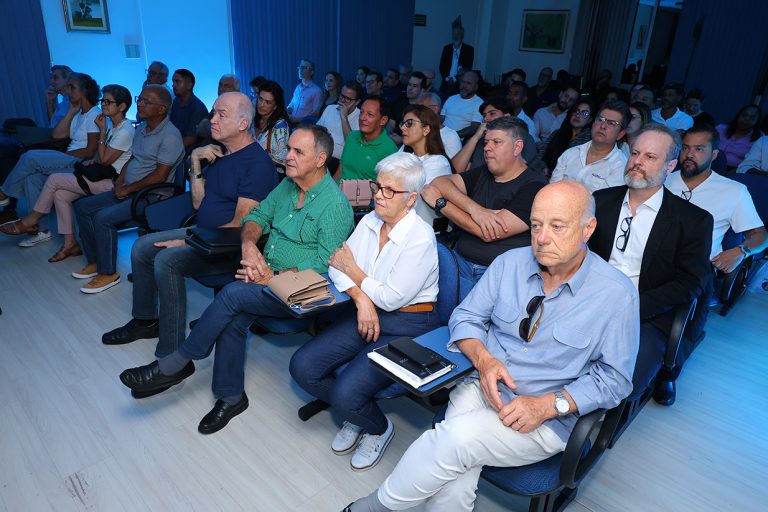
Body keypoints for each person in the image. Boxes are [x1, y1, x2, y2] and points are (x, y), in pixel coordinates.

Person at [344, 180, 639, 512]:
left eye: (557, 227)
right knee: (456, 471)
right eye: (536, 225)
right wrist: (484, 361)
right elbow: (465, 317)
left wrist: (548, 406)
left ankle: (372, 507)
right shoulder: (509, 263)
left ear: (588, 229)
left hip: (543, 416)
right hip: (479, 387)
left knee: (454, 440)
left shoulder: (616, 295)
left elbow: (615, 380)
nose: (542, 238)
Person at [118, 125, 354, 435]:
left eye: (298, 151)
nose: (288, 156)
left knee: (230, 295)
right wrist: (249, 246)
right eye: (289, 149)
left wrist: (273, 276)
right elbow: (256, 217)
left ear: (321, 159)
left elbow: (327, 263)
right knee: (233, 315)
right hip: (264, 275)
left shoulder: (335, 205)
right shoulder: (288, 185)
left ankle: (177, 362)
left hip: (301, 291)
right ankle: (231, 397)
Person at [102, 92, 278, 363]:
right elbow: (198, 203)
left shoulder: (257, 164)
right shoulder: (221, 153)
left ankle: (171, 355)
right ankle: (146, 321)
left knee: (167, 260)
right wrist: (195, 160)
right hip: (203, 233)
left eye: (221, 115)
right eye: (213, 113)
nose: (212, 119)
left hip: (223, 246)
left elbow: (240, 226)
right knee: (142, 247)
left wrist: (189, 241)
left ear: (243, 124)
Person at [290, 152, 439, 471]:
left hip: (409, 322)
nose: (379, 196)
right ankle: (357, 412)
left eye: (389, 190)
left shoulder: (421, 238)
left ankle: (377, 427)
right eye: (377, 186)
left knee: (346, 392)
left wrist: (356, 275)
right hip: (368, 310)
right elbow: (336, 264)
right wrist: (361, 299)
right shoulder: (372, 219)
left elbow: (391, 297)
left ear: (411, 199)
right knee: (303, 366)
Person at [590, 123, 713, 406]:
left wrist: (632, 307)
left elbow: (690, 283)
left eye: (650, 157)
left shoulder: (693, 220)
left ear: (670, 166)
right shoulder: (601, 201)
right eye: (635, 153)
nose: (637, 162)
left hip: (647, 312)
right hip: (592, 300)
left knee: (622, 383)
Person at [665, 125, 767, 392]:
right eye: (686, 148)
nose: (690, 154)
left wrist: (741, 251)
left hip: (698, 266)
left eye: (699, 149)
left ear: (714, 154)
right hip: (655, 257)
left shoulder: (732, 191)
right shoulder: (665, 178)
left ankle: (670, 370)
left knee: (692, 306)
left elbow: (761, 236)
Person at [1, 85, 134, 263]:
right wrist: (94, 159)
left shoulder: (125, 130)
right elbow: (102, 156)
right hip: (100, 174)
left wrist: (101, 132)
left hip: (111, 182)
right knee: (60, 194)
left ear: (122, 106)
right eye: (103, 100)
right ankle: (70, 244)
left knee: (54, 179)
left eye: (108, 102)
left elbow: (105, 160)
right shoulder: (113, 125)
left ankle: (31, 220)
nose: (103, 104)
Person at [72, 85, 184, 294]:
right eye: (139, 99)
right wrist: (120, 182)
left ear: (161, 109)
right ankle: (96, 261)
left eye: (146, 101)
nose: (139, 104)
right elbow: (133, 158)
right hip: (131, 190)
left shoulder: (170, 135)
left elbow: (160, 176)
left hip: (152, 196)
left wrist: (129, 188)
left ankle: (108, 273)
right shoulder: (141, 128)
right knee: (82, 207)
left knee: (103, 218)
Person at [421, 117, 547, 293]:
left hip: (498, 273)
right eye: (486, 142)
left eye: (496, 142)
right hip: (460, 262)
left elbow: (488, 233)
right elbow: (440, 182)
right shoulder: (484, 172)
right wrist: (476, 210)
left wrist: (442, 204)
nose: (487, 147)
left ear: (517, 147)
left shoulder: (535, 186)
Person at [0, 72, 101, 247]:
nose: (68, 91)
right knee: (33, 179)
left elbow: (91, 150)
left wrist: (64, 156)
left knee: (29, 157)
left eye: (72, 88)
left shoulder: (94, 114)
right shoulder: (78, 114)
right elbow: (57, 135)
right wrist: (71, 111)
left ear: (84, 91)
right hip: (69, 159)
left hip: (80, 164)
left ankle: (4, 193)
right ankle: (42, 230)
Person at [451, 94, 546, 175]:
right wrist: (476, 137)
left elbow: (520, 172)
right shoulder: (478, 141)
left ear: (507, 117)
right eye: (484, 115)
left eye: (492, 114)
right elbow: (456, 171)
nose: (486, 118)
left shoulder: (523, 138)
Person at [550, 100, 630, 193]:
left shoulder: (620, 166)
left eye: (611, 123)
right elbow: (552, 189)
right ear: (593, 124)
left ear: (620, 134)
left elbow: (606, 201)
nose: (603, 126)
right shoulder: (571, 153)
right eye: (600, 119)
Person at [398, 105, 452, 224]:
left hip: (423, 225)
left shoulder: (438, 162)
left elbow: (410, 195)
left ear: (426, 129)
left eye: (409, 123)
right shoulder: (405, 152)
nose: (402, 128)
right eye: (402, 123)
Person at [334, 97, 398, 182]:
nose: (362, 118)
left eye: (370, 115)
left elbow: (386, 185)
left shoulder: (390, 150)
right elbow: (340, 171)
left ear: (383, 120)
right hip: (337, 189)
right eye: (361, 112)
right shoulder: (351, 136)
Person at [540, 99, 594, 173]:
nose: (578, 115)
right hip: (544, 174)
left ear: (590, 120)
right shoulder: (557, 133)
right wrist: (544, 168)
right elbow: (541, 154)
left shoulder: (590, 141)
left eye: (584, 113)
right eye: (576, 111)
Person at [317, 81, 363, 160]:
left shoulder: (361, 117)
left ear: (357, 102)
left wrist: (344, 117)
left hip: (340, 160)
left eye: (347, 99)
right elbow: (316, 132)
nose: (342, 100)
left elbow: (352, 145)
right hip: (319, 154)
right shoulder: (330, 108)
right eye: (342, 96)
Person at [253, 80, 290, 169]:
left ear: (275, 106)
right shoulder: (252, 117)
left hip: (269, 171)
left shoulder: (280, 126)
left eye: (267, 102)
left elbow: (282, 160)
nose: (261, 105)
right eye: (260, 99)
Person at [715, 104, 763, 171]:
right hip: (711, 165)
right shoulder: (720, 129)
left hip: (735, 171)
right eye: (744, 115)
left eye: (752, 117)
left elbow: (753, 164)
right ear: (738, 115)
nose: (746, 119)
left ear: (757, 121)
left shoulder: (760, 139)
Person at [170, 68, 208, 149]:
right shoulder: (176, 101)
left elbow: (191, 138)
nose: (173, 85)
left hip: (188, 151)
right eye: (173, 81)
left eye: (177, 81)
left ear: (189, 85)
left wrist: (171, 150)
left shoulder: (198, 108)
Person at [416, 92, 461, 158]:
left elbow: (455, 163)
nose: (416, 113)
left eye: (421, 109)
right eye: (416, 109)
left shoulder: (450, 136)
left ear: (435, 109)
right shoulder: (415, 131)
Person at [440, 70, 483, 137]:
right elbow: (441, 119)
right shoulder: (451, 98)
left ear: (476, 87)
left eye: (468, 83)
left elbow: (474, 128)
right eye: (463, 82)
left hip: (459, 139)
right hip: (441, 135)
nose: (464, 86)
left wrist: (452, 136)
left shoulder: (479, 103)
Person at [439, 16, 474, 95]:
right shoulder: (446, 48)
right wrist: (448, 79)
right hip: (445, 84)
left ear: (462, 35)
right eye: (454, 33)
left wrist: (454, 79)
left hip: (460, 85)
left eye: (458, 33)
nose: (456, 36)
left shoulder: (469, 50)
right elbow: (441, 67)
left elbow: (468, 68)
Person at [287, 59, 323, 123]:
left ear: (311, 72)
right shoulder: (298, 87)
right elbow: (292, 104)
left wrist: (297, 120)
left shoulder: (317, 91)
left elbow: (315, 114)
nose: (300, 70)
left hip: (305, 126)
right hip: (291, 123)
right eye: (300, 67)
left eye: (304, 68)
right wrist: (286, 113)